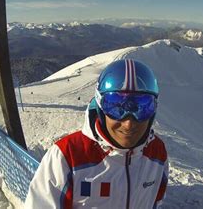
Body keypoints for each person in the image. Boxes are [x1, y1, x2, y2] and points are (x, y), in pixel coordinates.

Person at [25, 59, 169, 208]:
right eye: (115, 107)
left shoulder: (157, 153)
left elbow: (155, 202)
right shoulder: (68, 156)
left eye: (143, 107)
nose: (128, 124)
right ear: (100, 108)